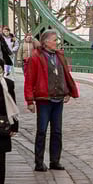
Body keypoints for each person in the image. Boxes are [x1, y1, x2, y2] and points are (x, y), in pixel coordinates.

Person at [24, 30, 80, 172]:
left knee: (57, 132)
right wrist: (29, 101)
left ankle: (55, 161)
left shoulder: (60, 56)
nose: (57, 43)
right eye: (55, 40)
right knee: (42, 131)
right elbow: (29, 80)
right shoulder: (35, 58)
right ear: (46, 42)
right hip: (44, 99)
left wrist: (67, 91)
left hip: (58, 99)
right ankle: (39, 162)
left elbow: (65, 75)